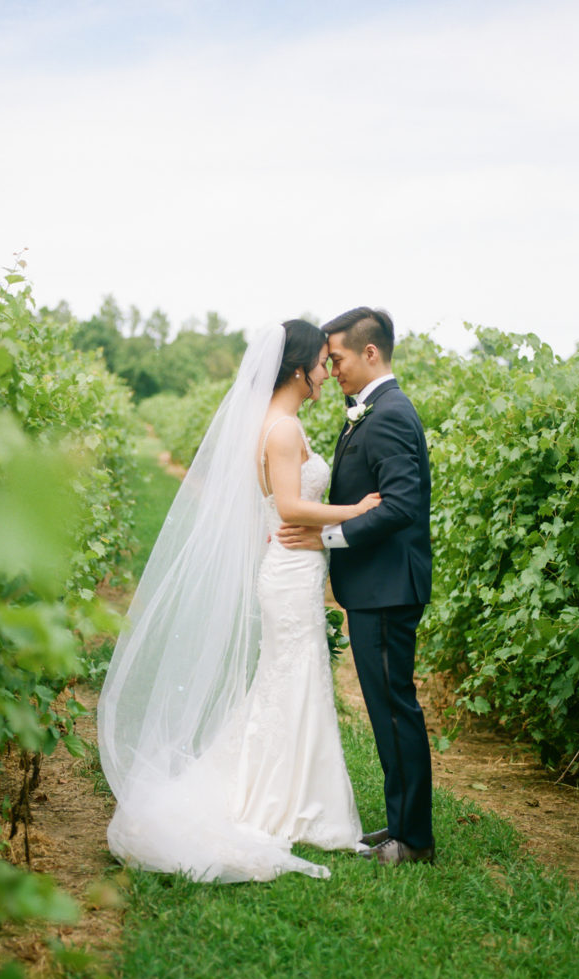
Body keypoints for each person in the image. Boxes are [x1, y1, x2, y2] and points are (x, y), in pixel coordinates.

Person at [97, 320, 380, 882]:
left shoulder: (278, 424)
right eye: (322, 362)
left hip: (293, 568)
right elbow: (291, 508)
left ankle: (297, 796)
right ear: (299, 368)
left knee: (294, 679)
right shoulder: (281, 430)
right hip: (290, 572)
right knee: (291, 677)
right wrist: (355, 511)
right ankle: (286, 803)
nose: (328, 371)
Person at [279, 307, 434, 865]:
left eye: (338, 358)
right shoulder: (371, 410)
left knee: (395, 709)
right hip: (376, 588)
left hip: (388, 587)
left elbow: (401, 506)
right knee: (387, 708)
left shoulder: (389, 413)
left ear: (370, 353)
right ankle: (399, 825)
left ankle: (413, 840)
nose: (332, 369)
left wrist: (328, 539)